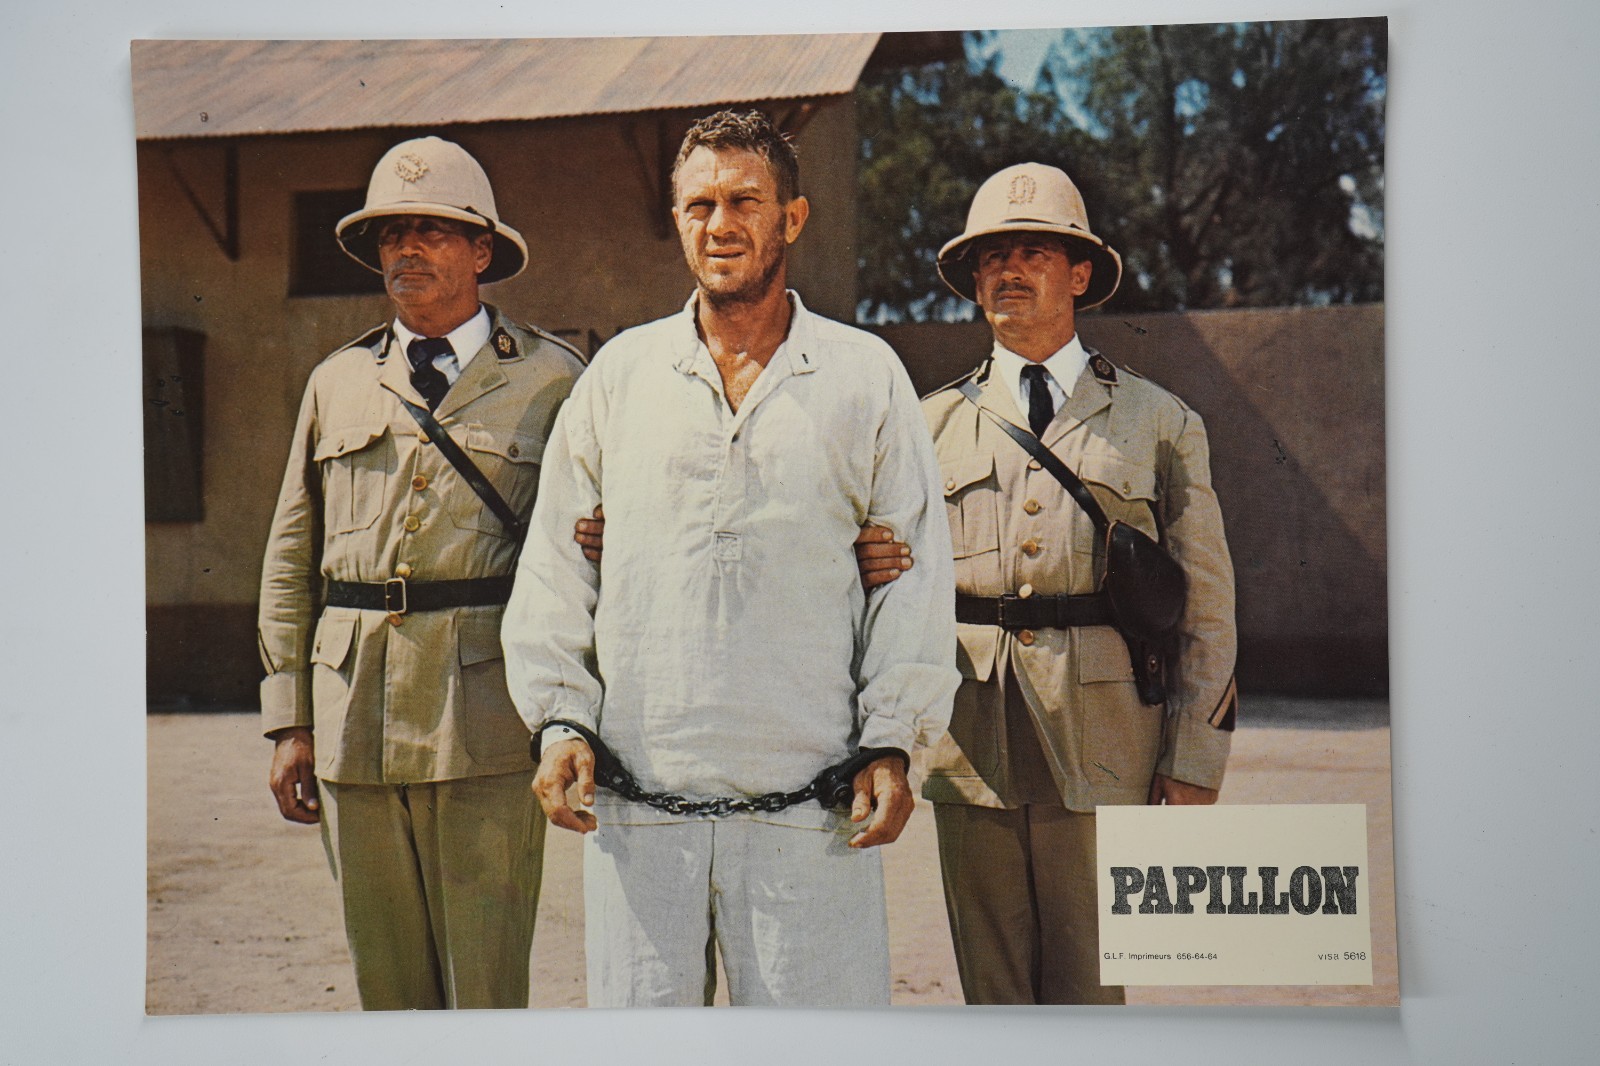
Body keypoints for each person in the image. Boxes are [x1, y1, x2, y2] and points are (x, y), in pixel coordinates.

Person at [501, 110, 957, 1008]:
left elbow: (914, 579)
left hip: (813, 813)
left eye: (745, 201)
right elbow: (558, 568)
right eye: (699, 204)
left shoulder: (864, 375)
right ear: (676, 220)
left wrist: (894, 740)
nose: (721, 225)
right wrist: (559, 722)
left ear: (792, 217)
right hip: (637, 811)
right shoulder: (620, 379)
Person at [257, 136, 585, 1010]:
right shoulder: (337, 383)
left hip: (484, 714)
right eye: (392, 232)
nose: (406, 248)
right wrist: (288, 718)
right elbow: (292, 559)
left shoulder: (554, 381)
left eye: (433, 231)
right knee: (389, 990)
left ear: (482, 251)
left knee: (484, 986)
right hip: (353, 714)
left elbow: (594, 557)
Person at [919, 162, 1238, 1004]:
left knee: (1092, 998)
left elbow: (1206, 601)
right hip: (972, 744)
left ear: (1081, 274)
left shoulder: (1159, 421)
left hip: (1107, 743)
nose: (1009, 271)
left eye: (1034, 253)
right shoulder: (928, 425)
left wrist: (1196, 755)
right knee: (991, 995)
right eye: (992, 257)